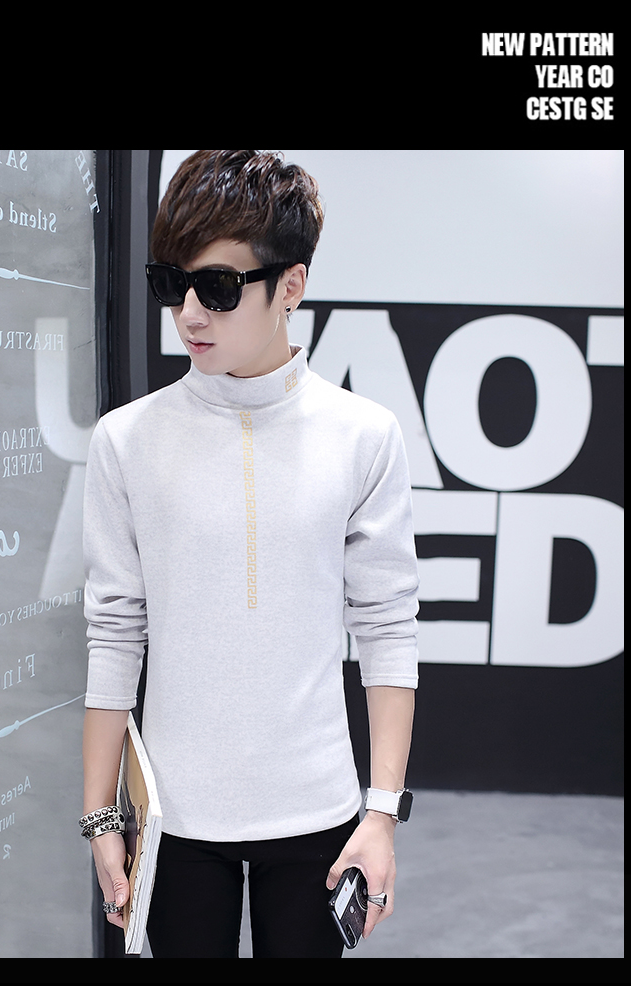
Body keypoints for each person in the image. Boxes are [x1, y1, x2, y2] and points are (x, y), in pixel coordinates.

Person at [81, 149, 419, 958]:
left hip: (318, 810)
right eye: (173, 284)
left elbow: (387, 629)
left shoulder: (364, 437)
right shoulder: (126, 441)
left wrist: (381, 813)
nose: (190, 314)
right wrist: (99, 817)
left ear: (290, 286)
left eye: (220, 287)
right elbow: (115, 631)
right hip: (175, 818)